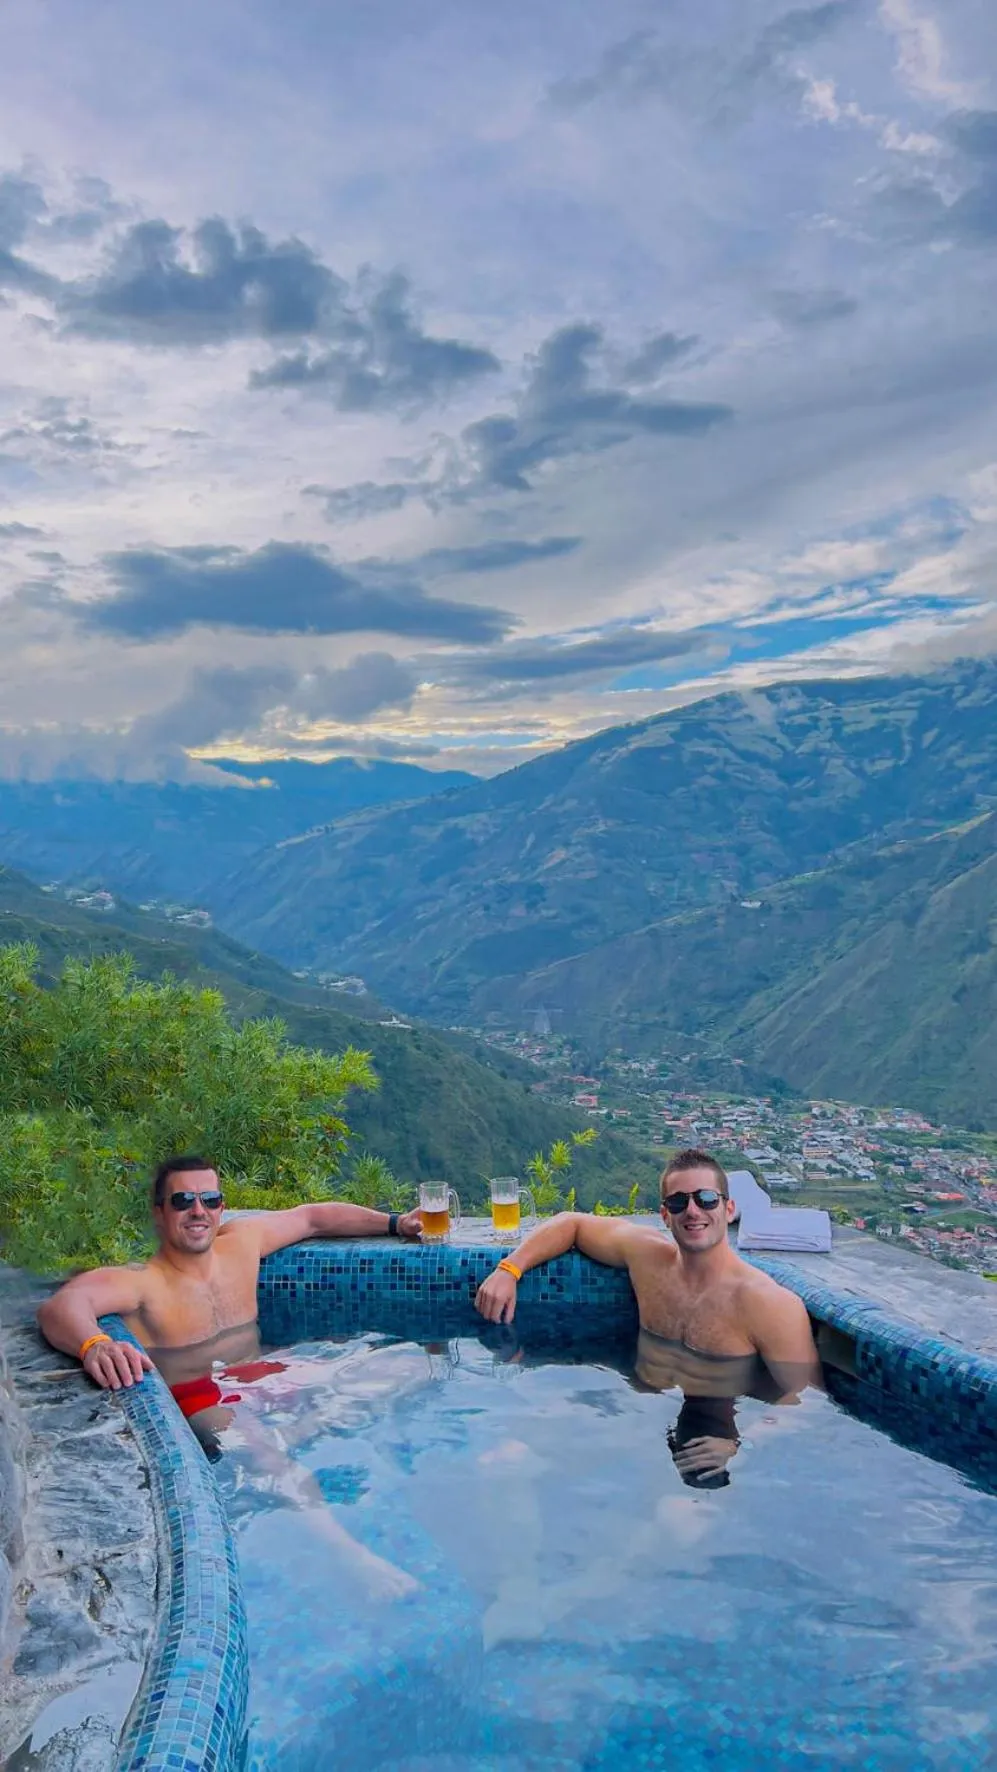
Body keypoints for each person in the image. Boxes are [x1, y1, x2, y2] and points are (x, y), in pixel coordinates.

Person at [37, 1153, 425, 1596]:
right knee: (263, 1450)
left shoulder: (241, 1245)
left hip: (260, 1376)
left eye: (210, 1198)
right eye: (183, 1200)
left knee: (407, 1363)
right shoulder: (144, 1282)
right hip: (200, 1393)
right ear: (159, 1213)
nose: (198, 1210)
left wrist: (396, 1223)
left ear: (222, 1207)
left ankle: (298, 1430)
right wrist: (94, 1344)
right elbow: (61, 1307)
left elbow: (315, 1217)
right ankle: (354, 1559)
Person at [475, 1147, 822, 1487]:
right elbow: (573, 1224)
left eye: (706, 1198)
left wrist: (742, 1445)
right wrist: (510, 1269)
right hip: (630, 1410)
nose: (692, 1210)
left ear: (729, 1209)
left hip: (714, 1430)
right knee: (504, 1460)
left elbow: (805, 1401)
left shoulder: (769, 1304)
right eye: (678, 1202)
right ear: (664, 1215)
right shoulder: (648, 1259)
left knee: (676, 1520)